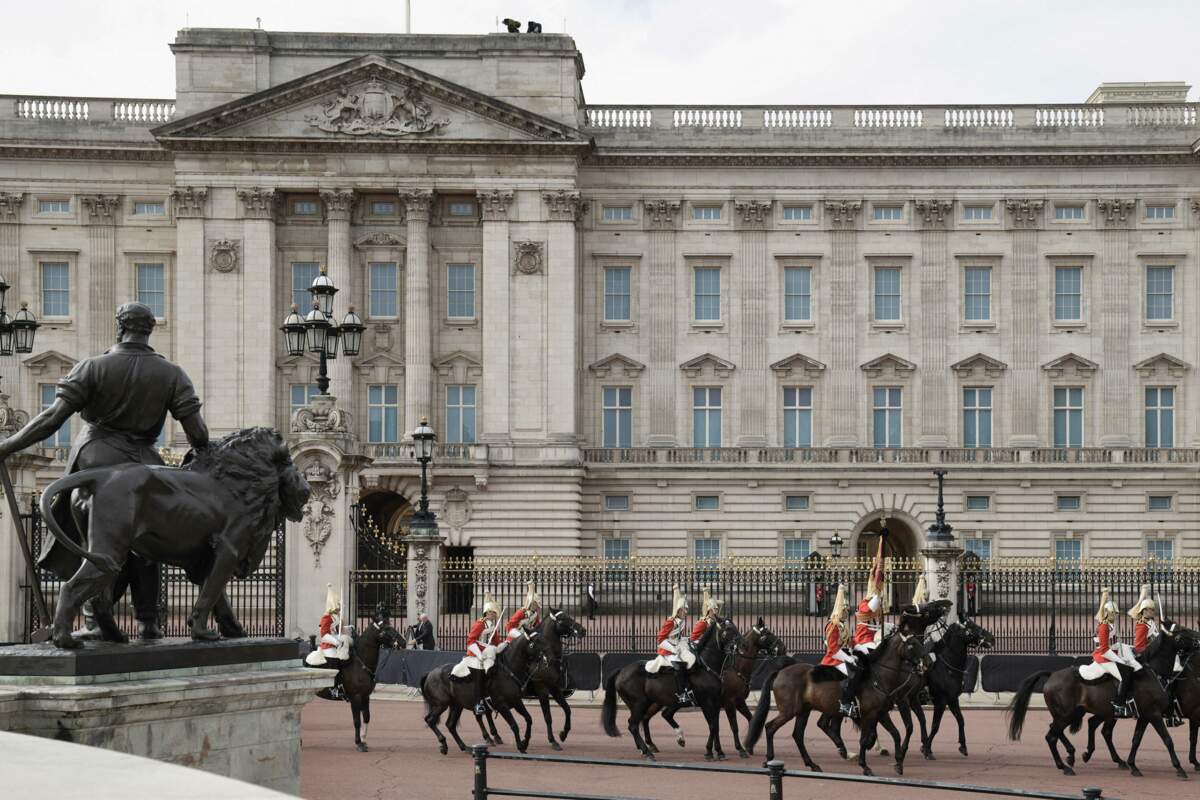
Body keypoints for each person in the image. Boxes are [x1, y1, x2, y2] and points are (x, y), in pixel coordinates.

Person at [0, 302, 209, 643]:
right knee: (148, 540)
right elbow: (197, 434)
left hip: (97, 456)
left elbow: (51, 419)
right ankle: (148, 621)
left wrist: (8, 445)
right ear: (149, 330)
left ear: (119, 327)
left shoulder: (92, 367)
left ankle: (95, 618)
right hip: (146, 460)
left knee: (95, 540)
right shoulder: (172, 374)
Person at [1078, 588, 1141, 718]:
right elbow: (1105, 649)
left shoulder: (1111, 625)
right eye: (1113, 613)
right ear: (1107, 613)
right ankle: (1118, 705)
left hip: (1108, 653)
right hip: (1102, 656)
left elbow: (1113, 644)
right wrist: (1120, 660)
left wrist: (1129, 647)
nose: (1115, 616)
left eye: (1116, 614)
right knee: (1124, 675)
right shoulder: (1104, 626)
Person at [842, 533, 886, 719]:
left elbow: (878, 622)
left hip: (869, 639)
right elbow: (871, 606)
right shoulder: (864, 604)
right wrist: (878, 590)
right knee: (872, 658)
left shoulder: (872, 602)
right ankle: (848, 700)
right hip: (863, 642)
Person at [451, 591, 502, 715]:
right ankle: (478, 703)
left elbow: (496, 642)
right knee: (479, 673)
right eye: (493, 613)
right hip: (476, 654)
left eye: (495, 613)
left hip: (488, 653)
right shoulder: (480, 624)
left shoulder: (493, 626)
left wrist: (503, 645)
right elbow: (470, 640)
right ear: (487, 613)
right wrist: (479, 654)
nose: (495, 615)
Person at [645, 584, 695, 705]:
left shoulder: (680, 621)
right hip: (668, 650)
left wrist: (686, 639)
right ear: (679, 610)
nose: (687, 612)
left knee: (692, 658)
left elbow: (677, 637)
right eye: (685, 609)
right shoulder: (670, 622)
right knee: (679, 664)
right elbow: (660, 639)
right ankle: (682, 694)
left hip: (676, 646)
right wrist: (673, 649)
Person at [304, 584, 354, 698]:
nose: (339, 608)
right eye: (337, 606)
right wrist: (336, 642)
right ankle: (334, 688)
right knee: (335, 663)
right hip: (329, 645)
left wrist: (349, 628)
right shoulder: (326, 618)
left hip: (337, 642)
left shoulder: (337, 618)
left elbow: (339, 631)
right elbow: (324, 635)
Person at [820, 584, 857, 681]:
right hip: (834, 659)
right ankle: (846, 695)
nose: (847, 614)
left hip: (842, 654)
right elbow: (833, 648)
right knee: (853, 673)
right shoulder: (833, 626)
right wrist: (848, 659)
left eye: (847, 611)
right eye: (844, 611)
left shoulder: (842, 625)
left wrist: (854, 650)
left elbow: (849, 642)